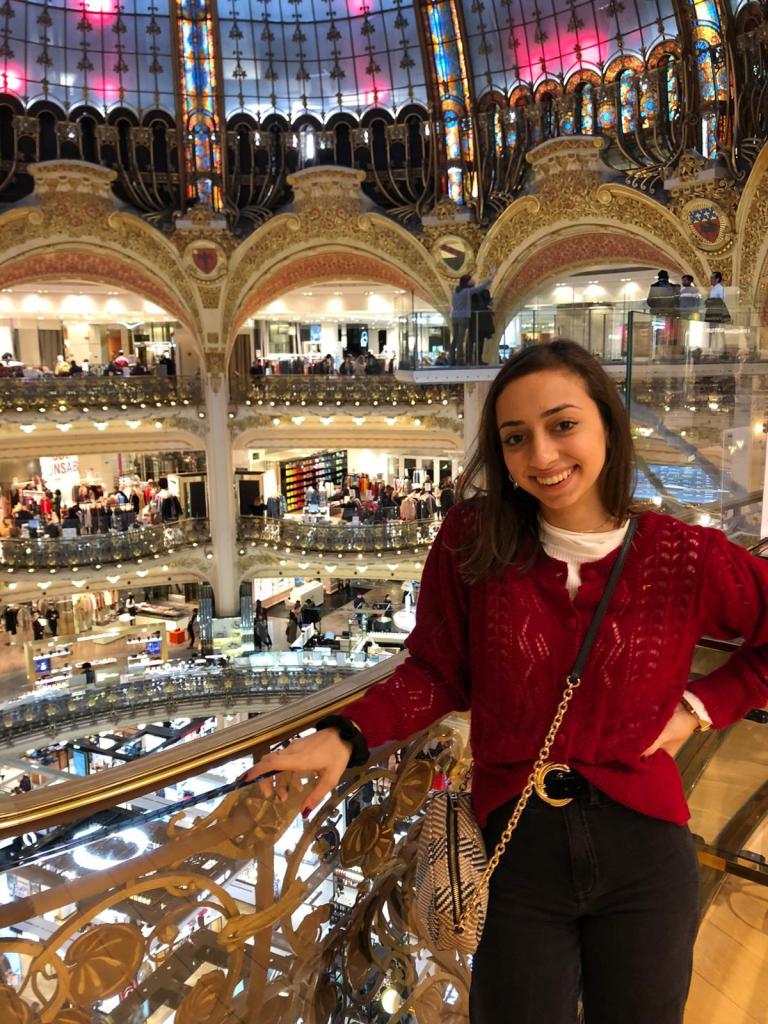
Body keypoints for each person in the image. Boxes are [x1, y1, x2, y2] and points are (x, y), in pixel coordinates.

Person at [241, 339, 768, 1024]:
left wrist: (701, 706)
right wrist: (346, 733)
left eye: (563, 425)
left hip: (645, 848)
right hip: (514, 851)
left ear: (607, 425)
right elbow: (436, 671)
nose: (542, 456)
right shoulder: (475, 540)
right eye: (516, 438)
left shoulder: (682, 554)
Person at [450, 270, 495, 365]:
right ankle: (460, 359)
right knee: (461, 339)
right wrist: (490, 278)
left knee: (456, 339)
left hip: (455, 316)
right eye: (471, 279)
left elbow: (453, 304)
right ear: (467, 282)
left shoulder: (456, 290)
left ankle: (452, 359)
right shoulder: (467, 291)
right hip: (464, 317)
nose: (473, 280)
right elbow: (480, 288)